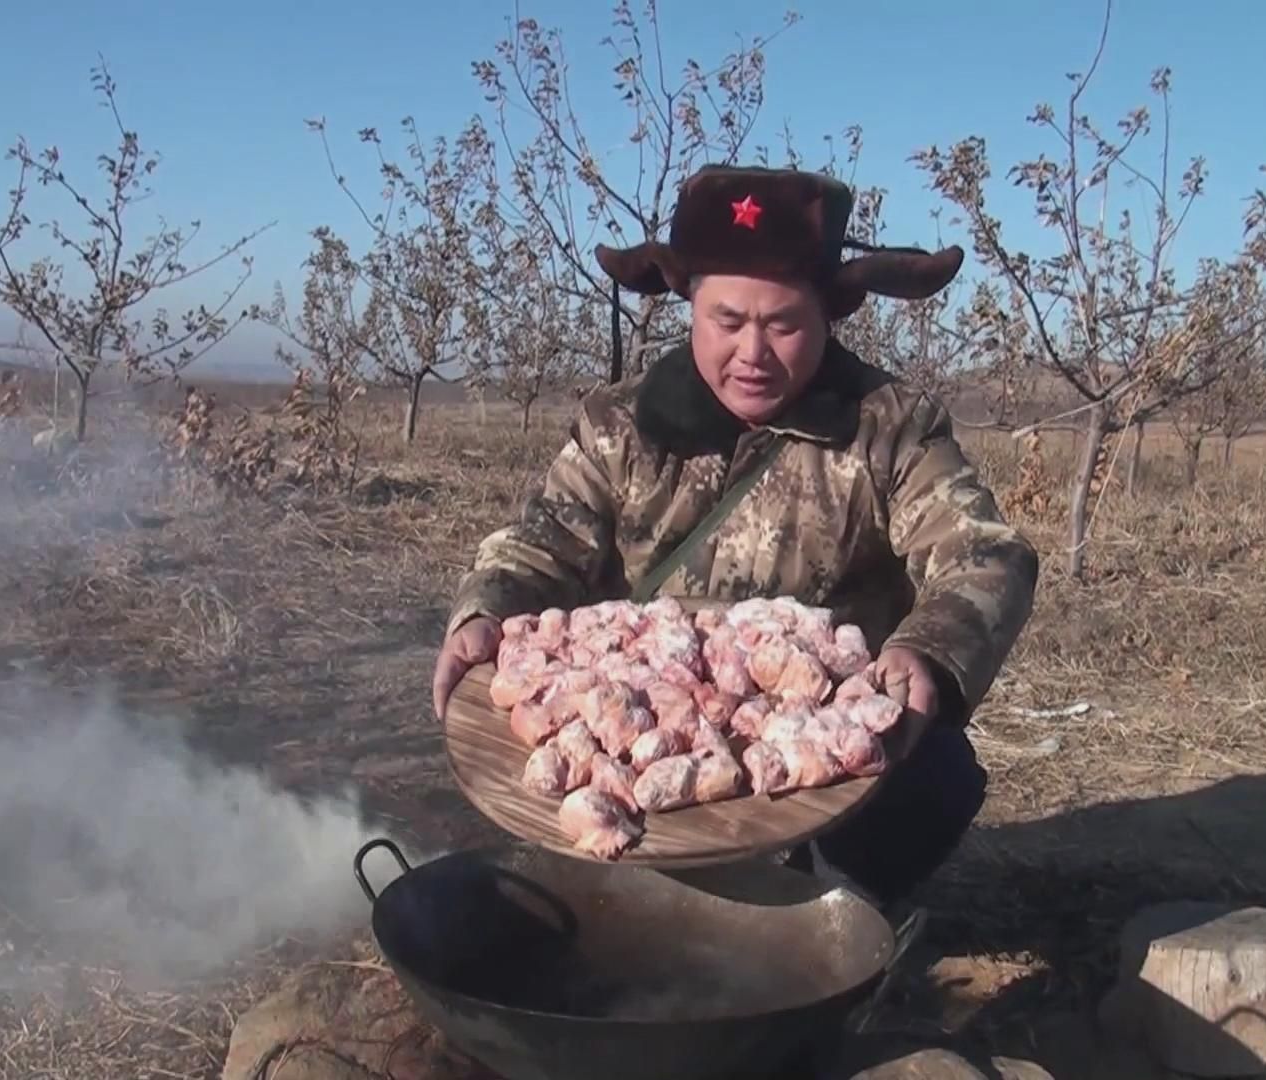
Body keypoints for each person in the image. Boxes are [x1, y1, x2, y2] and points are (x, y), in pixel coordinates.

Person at [431, 164, 1040, 908]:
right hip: (652, 725)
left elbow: (984, 553)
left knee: (934, 771)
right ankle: (652, 898)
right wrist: (488, 607)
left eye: (783, 325)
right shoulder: (619, 425)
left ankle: (831, 910)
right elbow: (545, 538)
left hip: (819, 725)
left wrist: (930, 651)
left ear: (829, 316)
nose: (753, 353)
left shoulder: (889, 428)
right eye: (727, 322)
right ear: (690, 307)